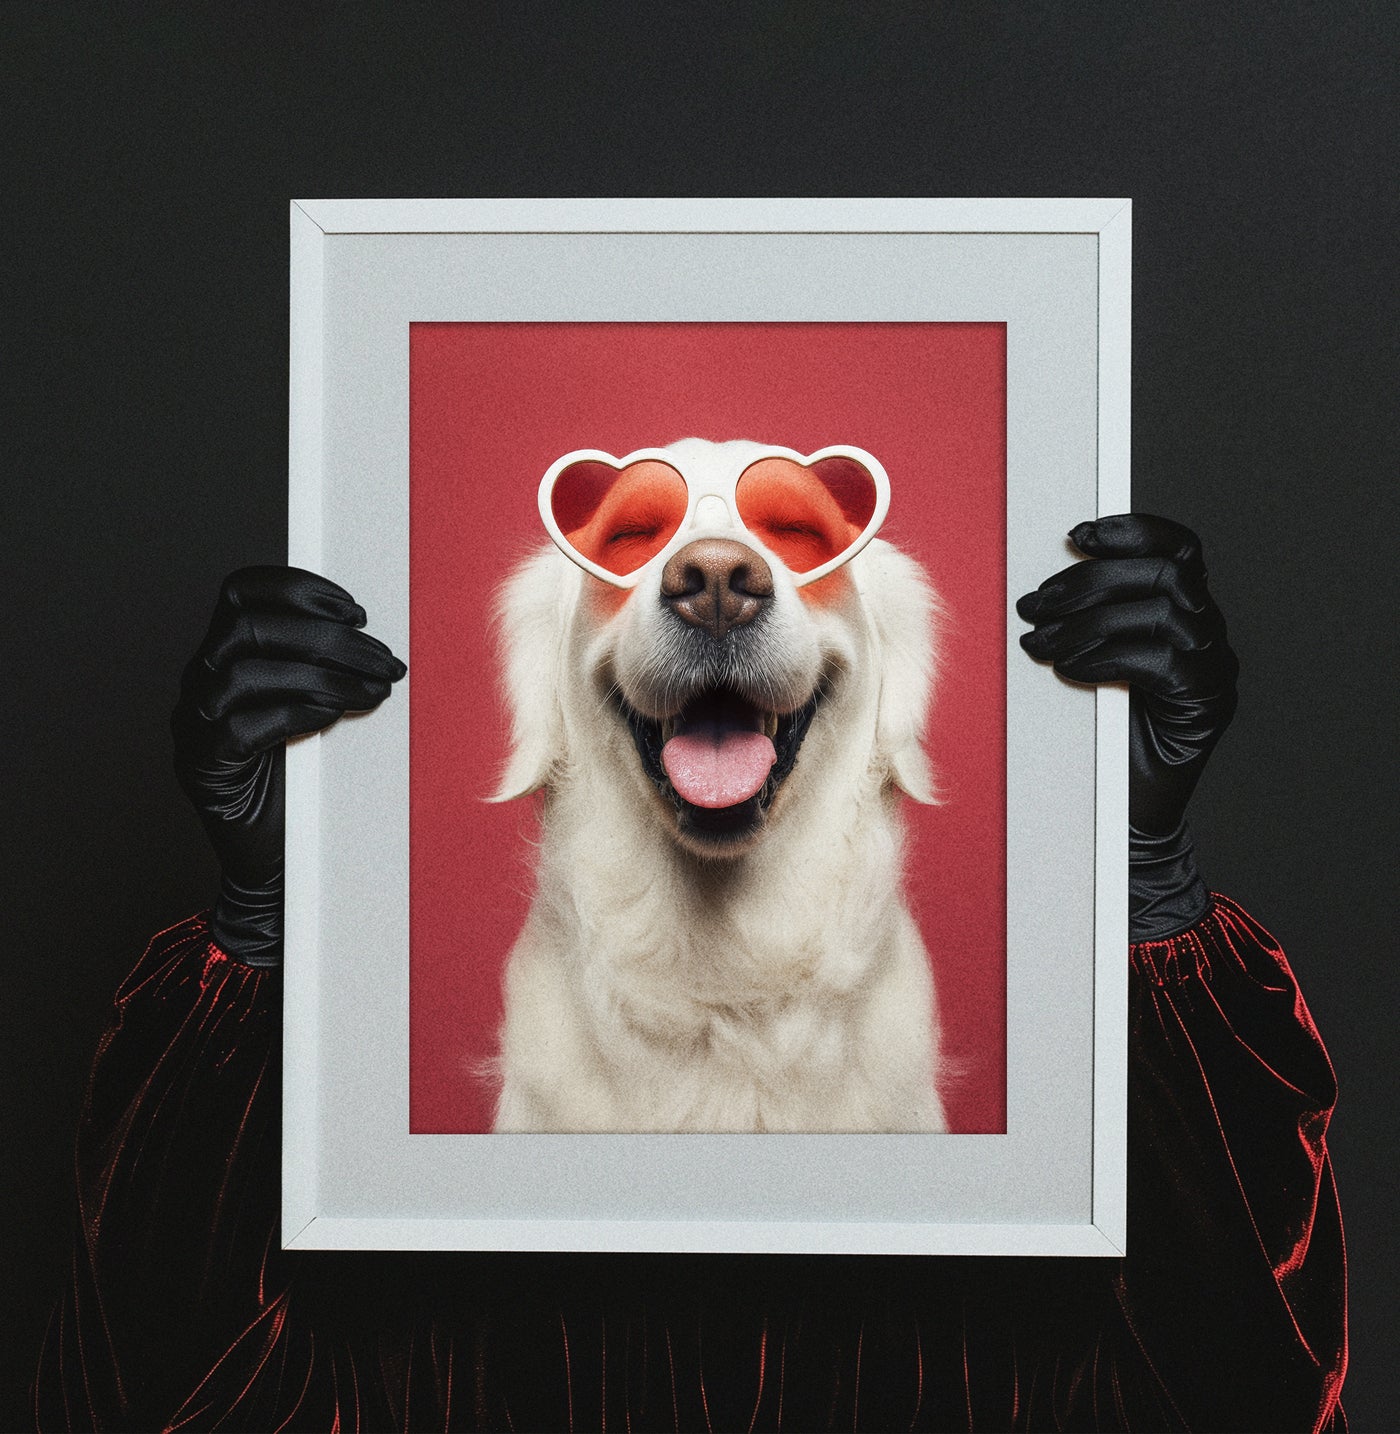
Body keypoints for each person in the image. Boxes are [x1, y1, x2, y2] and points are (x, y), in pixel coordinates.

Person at [33, 516, 1346, 1432]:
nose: (715, 572)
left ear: (891, 674)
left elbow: (1235, 1396)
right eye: (629, 549)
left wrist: (1143, 880)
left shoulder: (1007, 1218)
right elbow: (178, 1398)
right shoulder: (419, 1227)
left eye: (790, 542)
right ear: (542, 677)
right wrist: (260, 927)